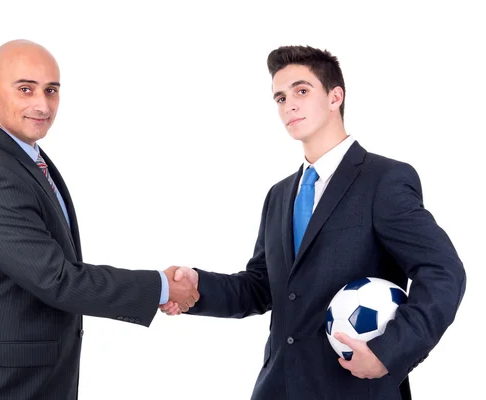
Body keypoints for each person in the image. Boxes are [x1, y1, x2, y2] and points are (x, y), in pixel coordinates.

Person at [160, 45, 466, 399]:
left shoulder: (383, 180)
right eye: (280, 97)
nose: (288, 105)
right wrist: (199, 287)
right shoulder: (279, 195)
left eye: (301, 91)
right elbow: (263, 287)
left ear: (335, 97)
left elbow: (443, 271)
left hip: (352, 388)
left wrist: (388, 353)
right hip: (278, 387)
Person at [0, 39, 199, 399]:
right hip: (0, 386)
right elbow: (57, 278)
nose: (42, 105)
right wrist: (162, 287)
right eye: (25, 89)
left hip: (34, 377)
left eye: (51, 91)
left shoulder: (21, 156)